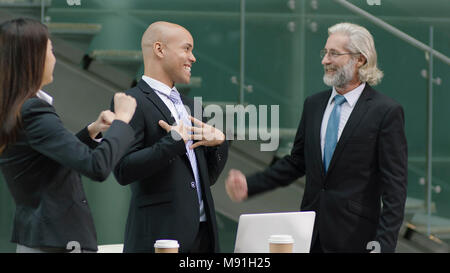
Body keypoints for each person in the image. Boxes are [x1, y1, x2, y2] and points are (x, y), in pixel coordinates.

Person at [225, 22, 407, 253]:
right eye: (324, 52)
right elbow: (296, 162)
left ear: (360, 59)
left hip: (356, 239)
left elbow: (395, 189)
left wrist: (383, 246)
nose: (325, 61)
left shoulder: (385, 111)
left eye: (334, 53)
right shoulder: (314, 104)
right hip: (309, 234)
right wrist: (250, 185)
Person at [0, 18, 137, 253]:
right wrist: (122, 121)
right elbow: (97, 166)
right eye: (50, 50)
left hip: (41, 239)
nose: (53, 58)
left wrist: (92, 131)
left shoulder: (16, 107)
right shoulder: (33, 111)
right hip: (56, 242)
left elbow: (48, 158)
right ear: (35, 57)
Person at [112, 21, 228, 253]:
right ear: (159, 49)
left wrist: (219, 143)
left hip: (203, 238)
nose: (193, 58)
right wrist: (172, 142)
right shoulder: (131, 101)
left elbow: (207, 178)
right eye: (186, 48)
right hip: (160, 237)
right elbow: (123, 170)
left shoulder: (191, 106)